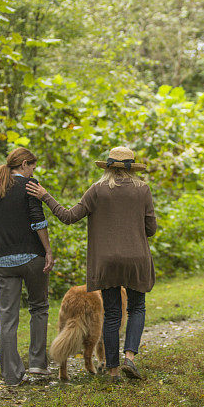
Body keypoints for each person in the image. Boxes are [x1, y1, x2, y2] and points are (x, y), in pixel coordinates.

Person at [26, 146, 157, 383]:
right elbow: (151, 229)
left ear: (107, 167)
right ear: (132, 169)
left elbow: (68, 217)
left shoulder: (96, 191)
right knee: (136, 308)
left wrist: (45, 195)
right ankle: (129, 357)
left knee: (112, 313)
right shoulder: (143, 190)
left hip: (106, 262)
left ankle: (114, 370)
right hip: (137, 259)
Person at [0, 147, 55, 386]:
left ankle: (11, 376)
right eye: (32, 165)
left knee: (8, 318)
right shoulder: (29, 185)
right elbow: (38, 221)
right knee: (39, 307)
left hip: (2, 261)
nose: (34, 170)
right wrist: (47, 251)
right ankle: (37, 363)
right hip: (31, 257)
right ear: (24, 164)